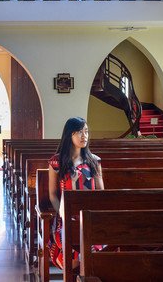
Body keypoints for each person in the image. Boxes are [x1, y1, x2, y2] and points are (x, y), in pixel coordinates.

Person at [48, 116, 104, 270]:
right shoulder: (56, 162)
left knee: (97, 252)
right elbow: (53, 194)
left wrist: (97, 214)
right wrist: (62, 215)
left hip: (90, 216)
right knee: (72, 256)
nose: (84, 136)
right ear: (69, 135)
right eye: (79, 132)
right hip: (66, 216)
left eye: (86, 131)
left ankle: (86, 276)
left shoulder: (94, 161)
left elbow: (101, 192)